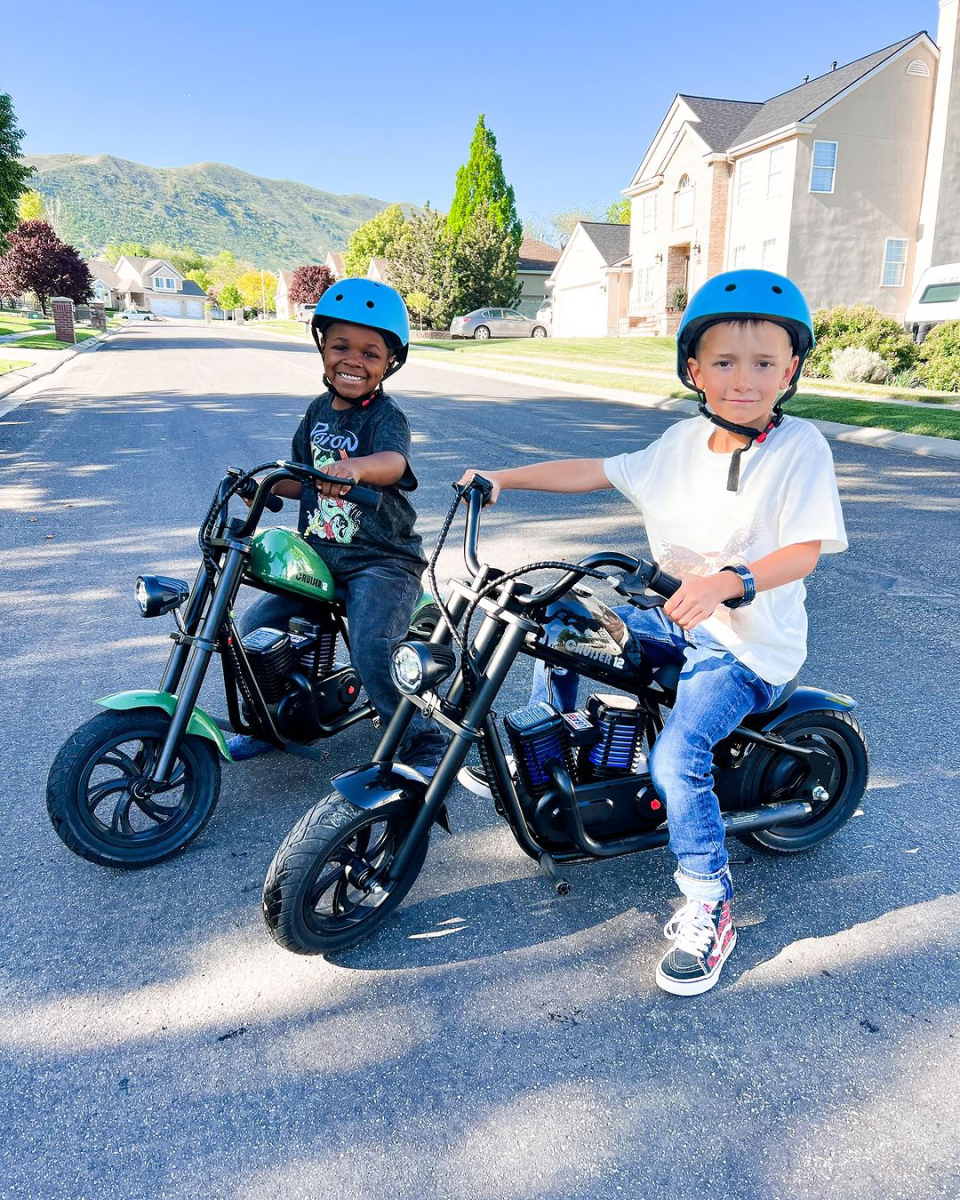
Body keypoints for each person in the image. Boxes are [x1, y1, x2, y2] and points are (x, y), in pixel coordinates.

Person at [457, 269, 847, 995]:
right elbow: (594, 470)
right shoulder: (676, 444)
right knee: (562, 615)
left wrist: (729, 581)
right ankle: (564, 737)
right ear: (694, 369)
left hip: (744, 647)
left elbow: (805, 551)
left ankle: (709, 902)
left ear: (790, 368)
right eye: (725, 362)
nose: (744, 379)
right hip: (673, 618)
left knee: (678, 758)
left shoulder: (800, 450)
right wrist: (504, 479)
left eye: (764, 362)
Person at [228, 279, 446, 773]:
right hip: (321, 556)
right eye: (341, 346)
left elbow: (392, 463)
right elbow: (300, 478)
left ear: (390, 361)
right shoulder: (317, 411)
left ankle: (423, 740)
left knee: (372, 649)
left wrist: (356, 469)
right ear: (322, 348)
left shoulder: (387, 417)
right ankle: (277, 721)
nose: (354, 359)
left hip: (381, 561)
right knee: (255, 625)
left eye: (371, 352)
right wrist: (261, 486)